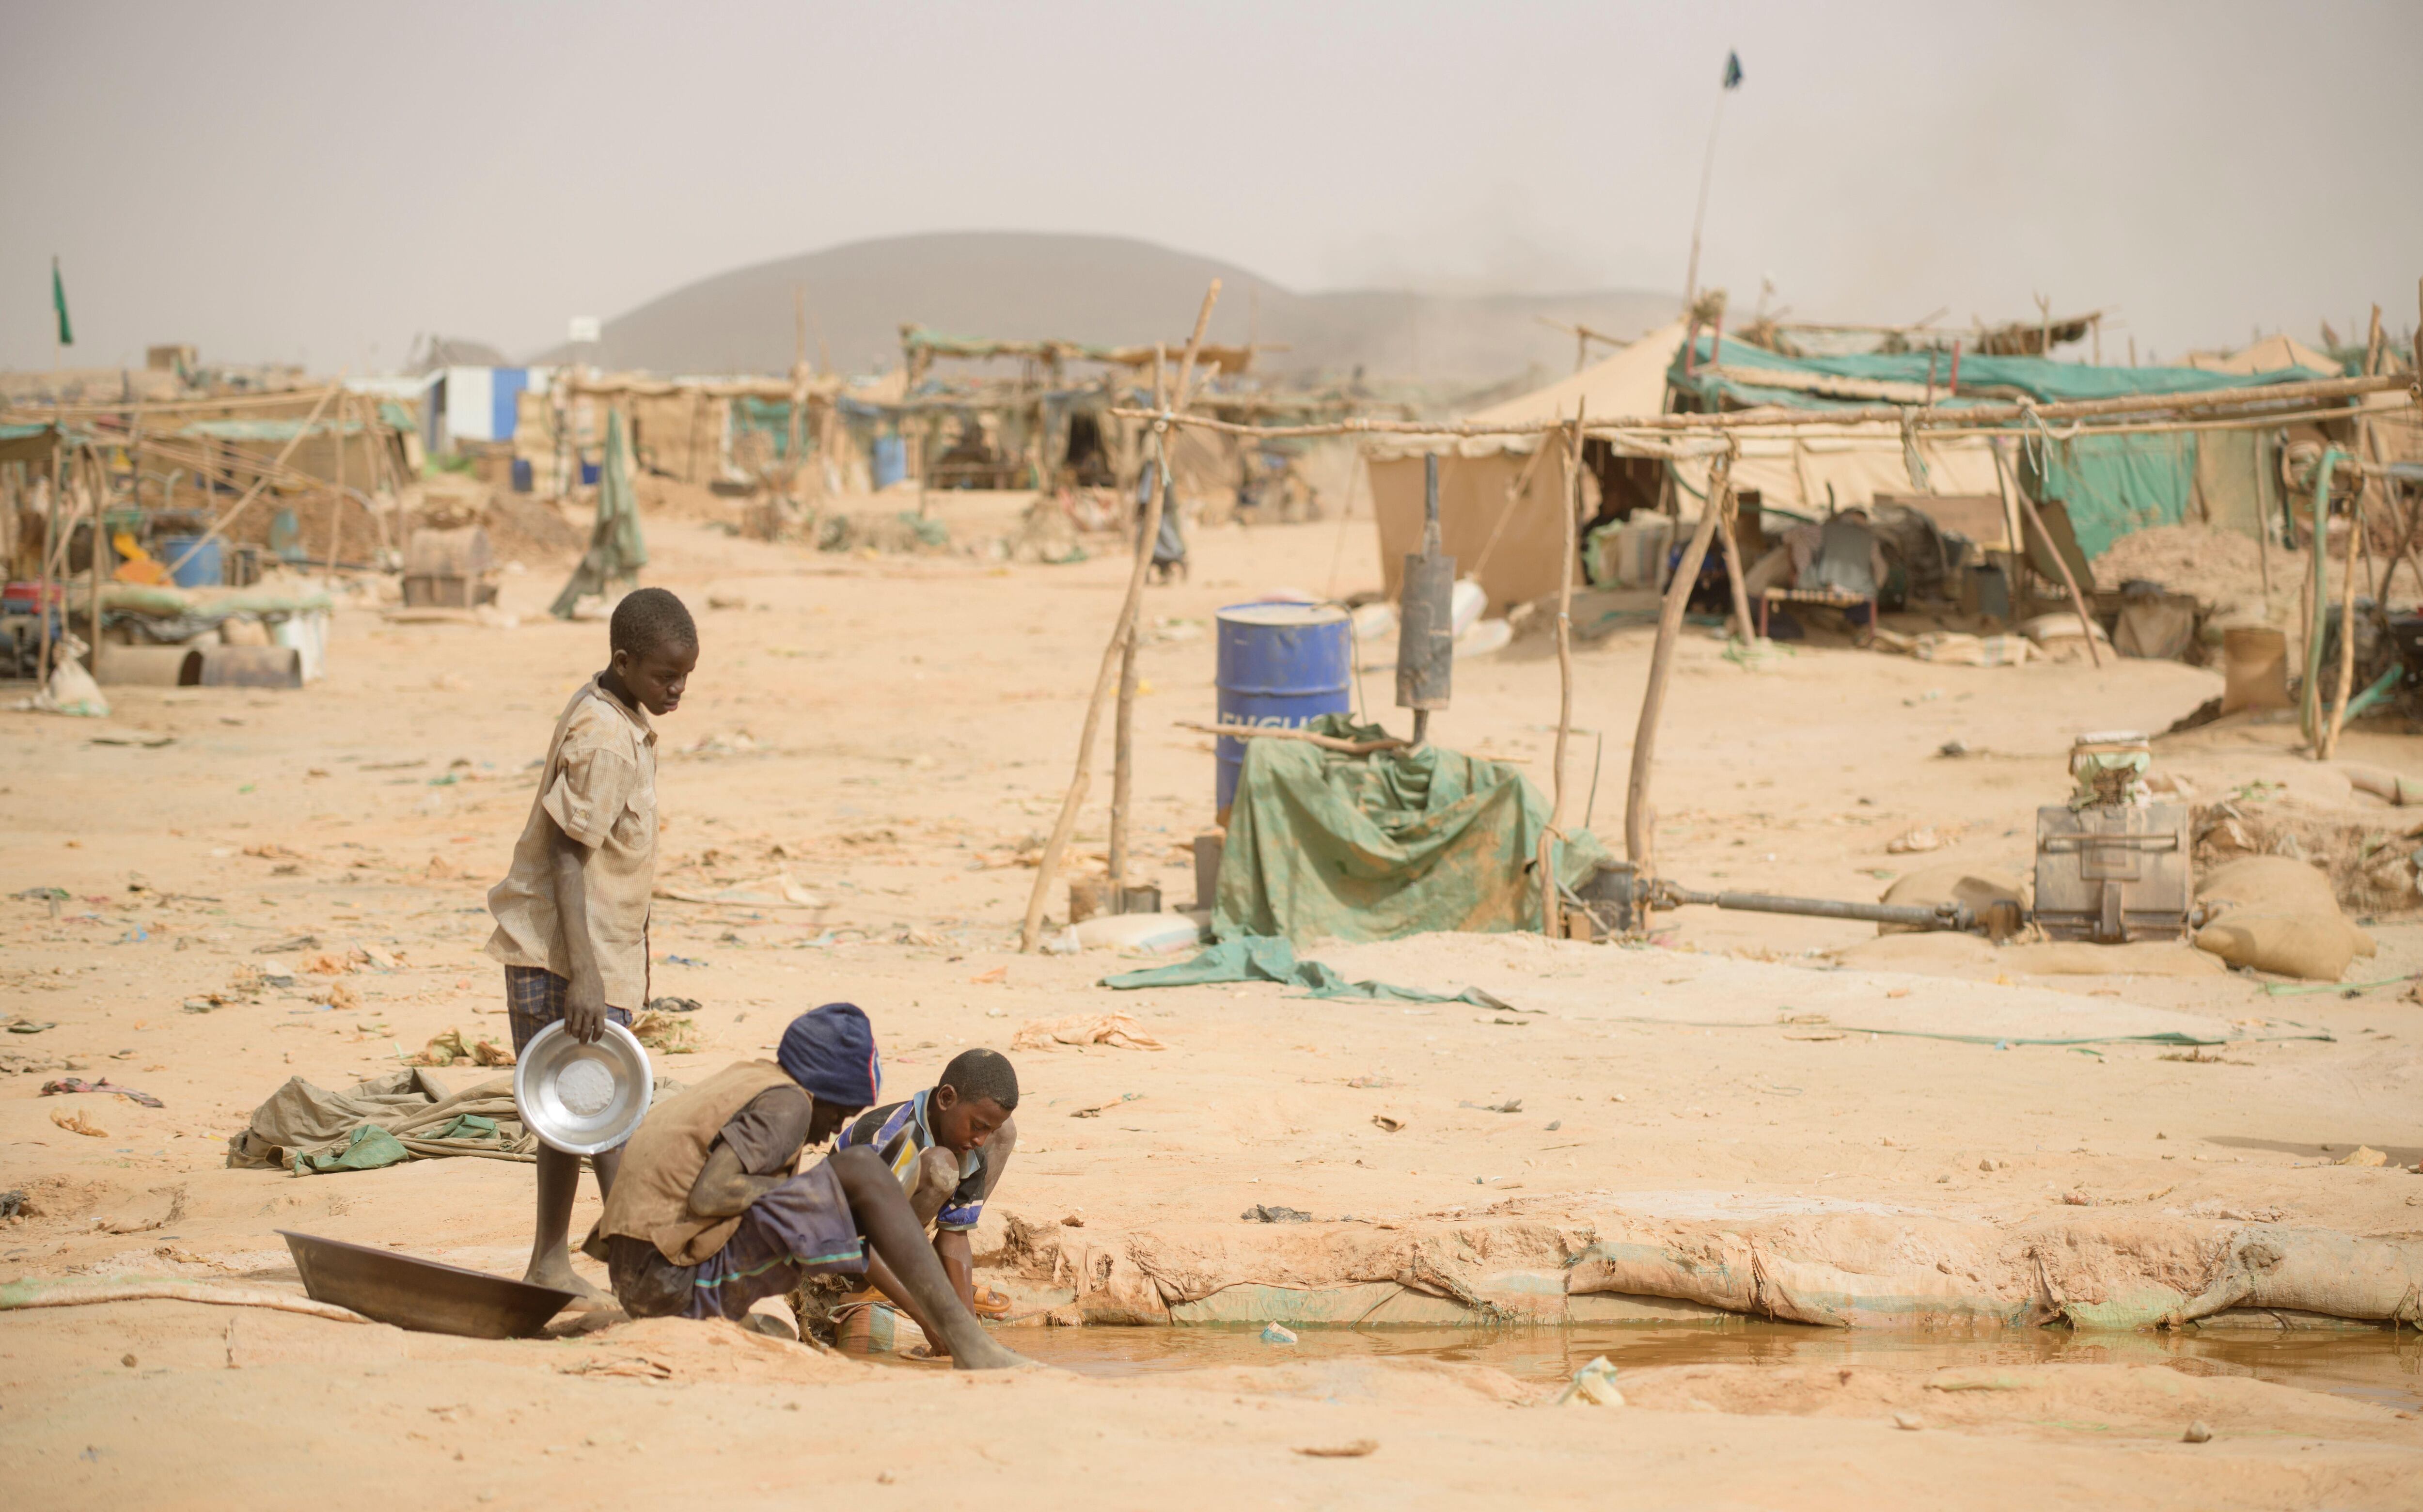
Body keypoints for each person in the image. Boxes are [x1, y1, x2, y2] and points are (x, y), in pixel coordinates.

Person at [587, 1004, 1028, 1370]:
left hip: (645, 1274)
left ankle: (963, 1336)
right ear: (821, 1091)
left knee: (852, 1177)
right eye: (839, 1114)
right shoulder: (789, 1105)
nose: (832, 1131)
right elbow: (712, 1194)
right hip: (664, 1286)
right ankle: (967, 1345)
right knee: (860, 1169)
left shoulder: (757, 1079)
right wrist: (820, 1200)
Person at [484, 586, 697, 1301]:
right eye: (667, 678)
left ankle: (552, 1259)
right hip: (564, 959)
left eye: (686, 679)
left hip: (588, 955)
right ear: (623, 661)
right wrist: (585, 976)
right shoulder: (605, 739)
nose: (677, 692)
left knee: (571, 1115)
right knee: (606, 1114)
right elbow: (569, 859)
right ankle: (639, 1271)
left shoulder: (616, 713)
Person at [833, 1048, 1020, 1341]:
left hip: (893, 1233)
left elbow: (955, 1235)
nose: (981, 1140)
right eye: (977, 1127)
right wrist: (927, 1317)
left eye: (987, 1131)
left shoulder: (969, 1146)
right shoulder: (890, 1139)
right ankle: (878, 1284)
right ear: (946, 1099)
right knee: (940, 1167)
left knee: (969, 1151)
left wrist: (966, 1322)